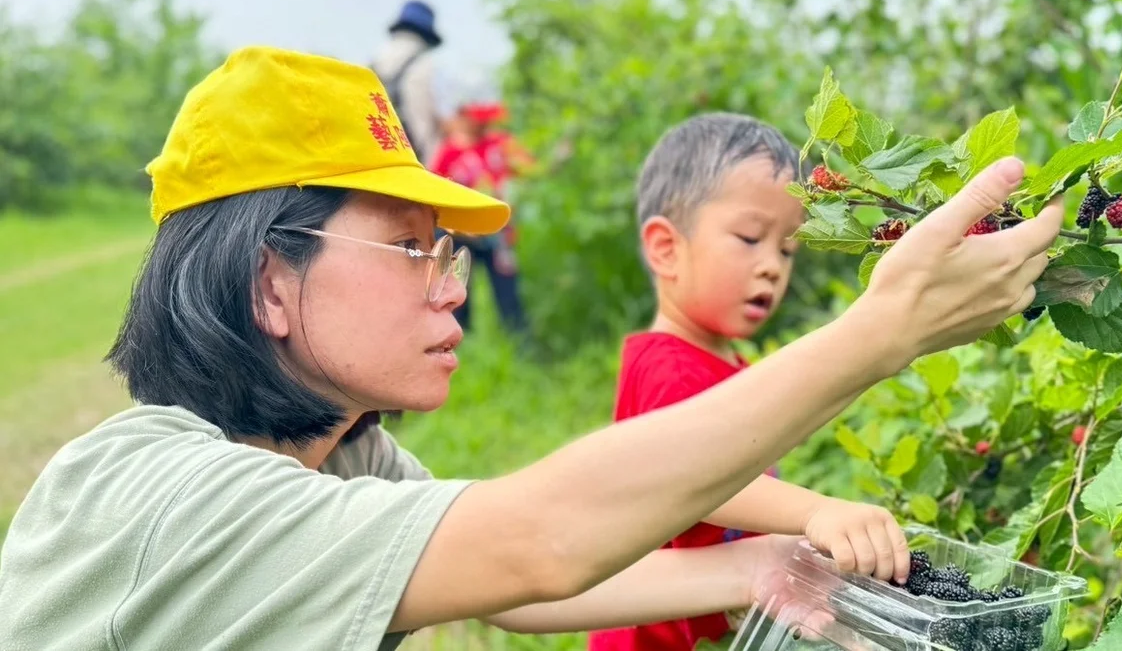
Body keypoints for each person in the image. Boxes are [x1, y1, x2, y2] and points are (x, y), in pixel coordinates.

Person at [0, 46, 1062, 651]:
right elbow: (536, 540)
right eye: (412, 249)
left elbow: (512, 583)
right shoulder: (172, 492)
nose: (450, 289)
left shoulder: (337, 455)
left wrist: (763, 561)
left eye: (448, 253)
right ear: (269, 280)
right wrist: (879, 333)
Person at [589, 112, 910, 651]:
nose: (772, 267)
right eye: (749, 238)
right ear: (667, 248)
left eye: (786, 249)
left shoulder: (725, 365)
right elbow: (693, 481)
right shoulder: (669, 366)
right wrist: (815, 512)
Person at [429, 100, 529, 332]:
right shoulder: (450, 152)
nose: (485, 124)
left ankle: (521, 343)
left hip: (499, 233)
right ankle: (459, 344)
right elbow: (435, 195)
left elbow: (530, 169)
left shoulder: (501, 144)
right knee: (459, 294)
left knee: (508, 292)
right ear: (464, 117)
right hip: (462, 235)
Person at [371, 0, 444, 165]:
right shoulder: (427, 66)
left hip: (379, 161)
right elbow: (445, 120)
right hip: (420, 162)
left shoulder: (374, 62)